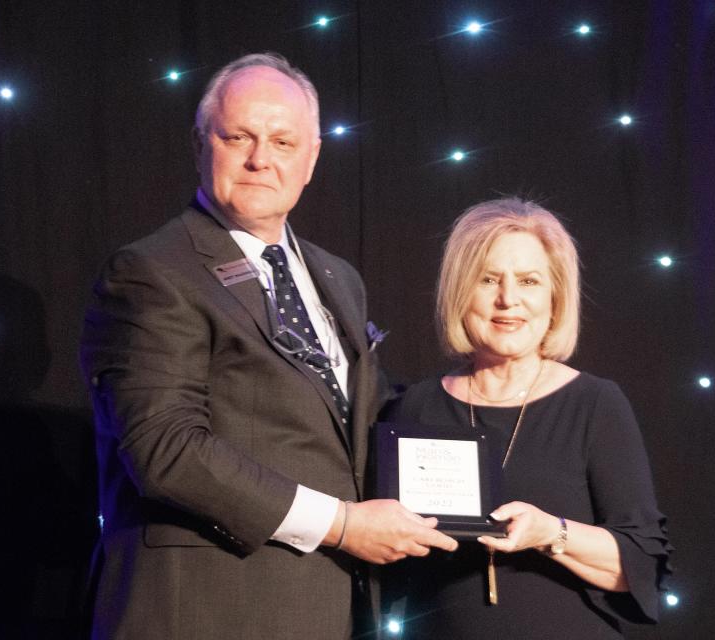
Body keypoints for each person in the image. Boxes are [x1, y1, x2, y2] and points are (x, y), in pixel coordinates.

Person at [80, 52, 457, 640]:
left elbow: (362, 420)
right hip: (202, 609)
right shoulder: (151, 272)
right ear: (201, 143)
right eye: (240, 137)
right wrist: (341, 525)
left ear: (311, 158)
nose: (261, 159)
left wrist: (495, 397)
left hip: (323, 607)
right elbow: (166, 451)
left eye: (283, 142)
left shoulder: (336, 277)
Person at [385, 198, 672, 638]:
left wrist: (549, 532)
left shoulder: (595, 404)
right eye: (488, 279)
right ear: (460, 291)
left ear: (555, 298)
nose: (508, 299)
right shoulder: (414, 407)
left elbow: (638, 567)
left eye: (529, 281)